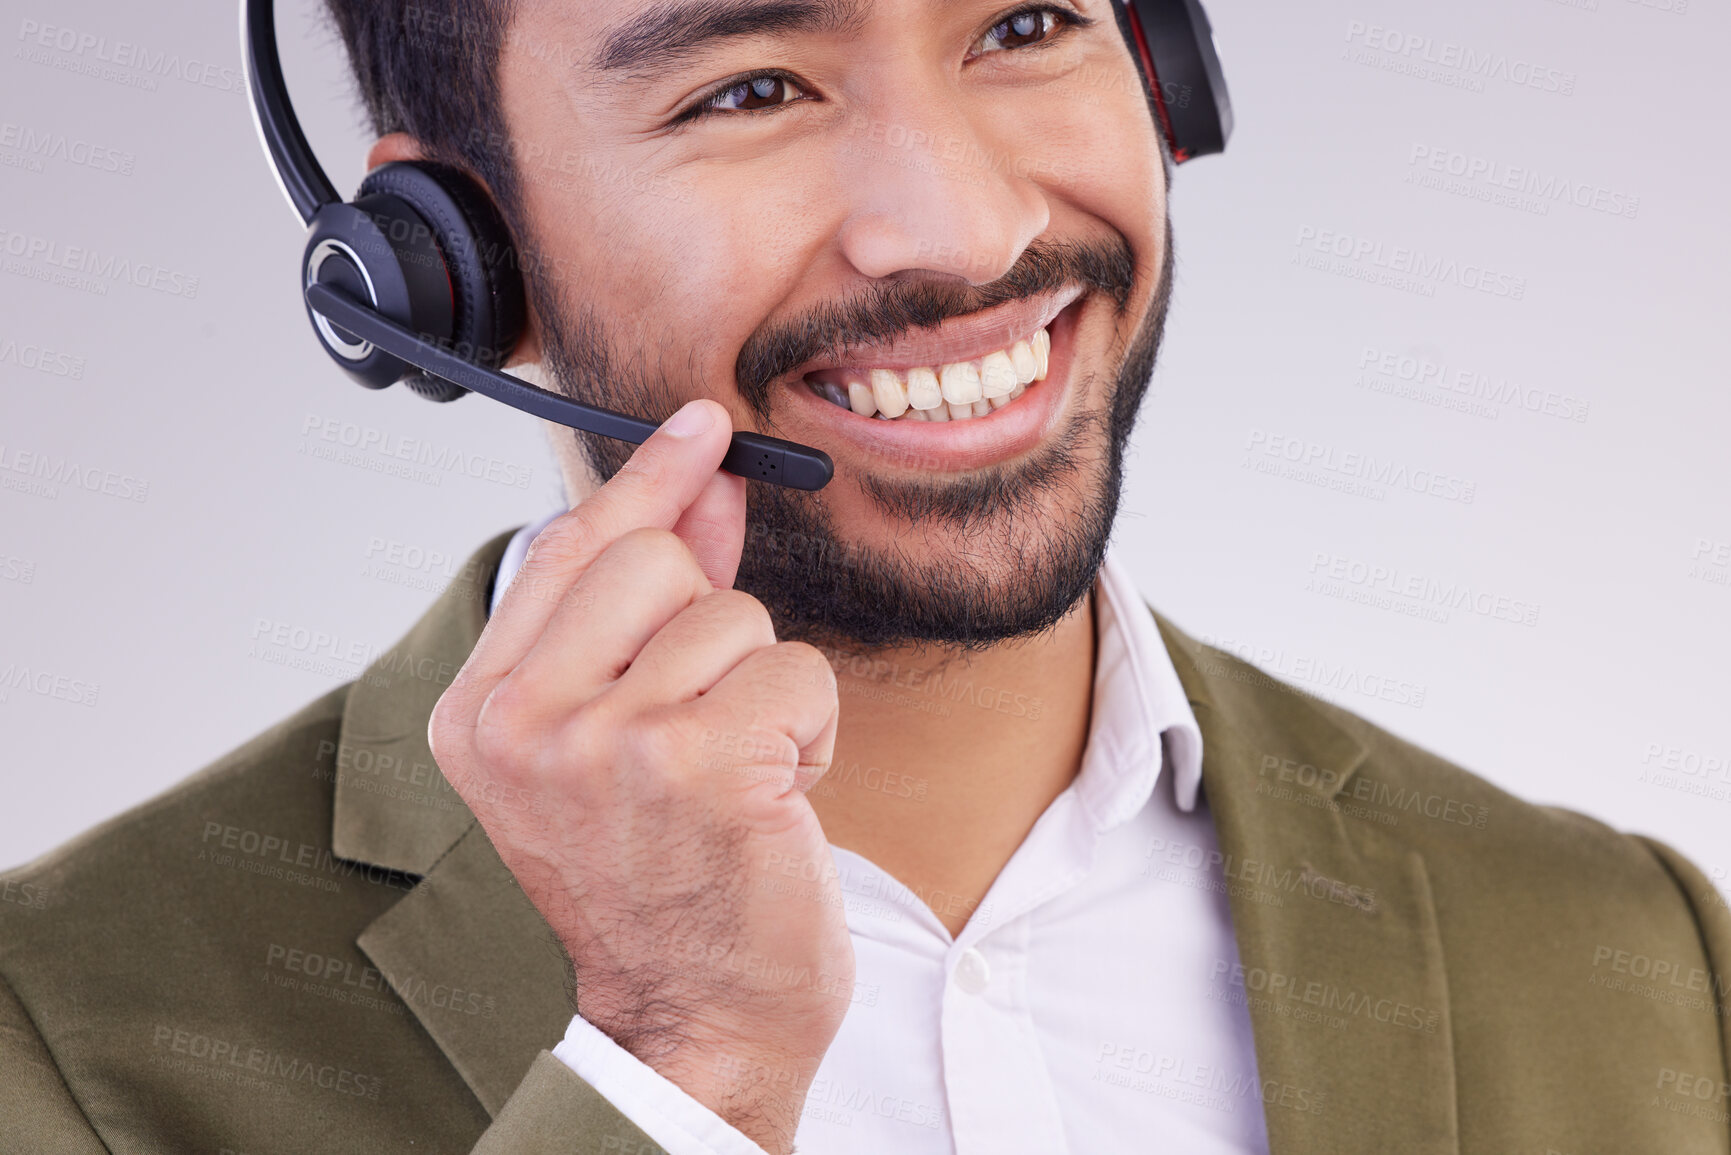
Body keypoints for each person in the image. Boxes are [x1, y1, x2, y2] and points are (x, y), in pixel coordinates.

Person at [3, 2, 1726, 1153]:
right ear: (448, 264)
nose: (964, 230)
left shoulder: (1635, 963)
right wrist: (681, 1069)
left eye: (1028, 21)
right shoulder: (70, 1039)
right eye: (751, 87)